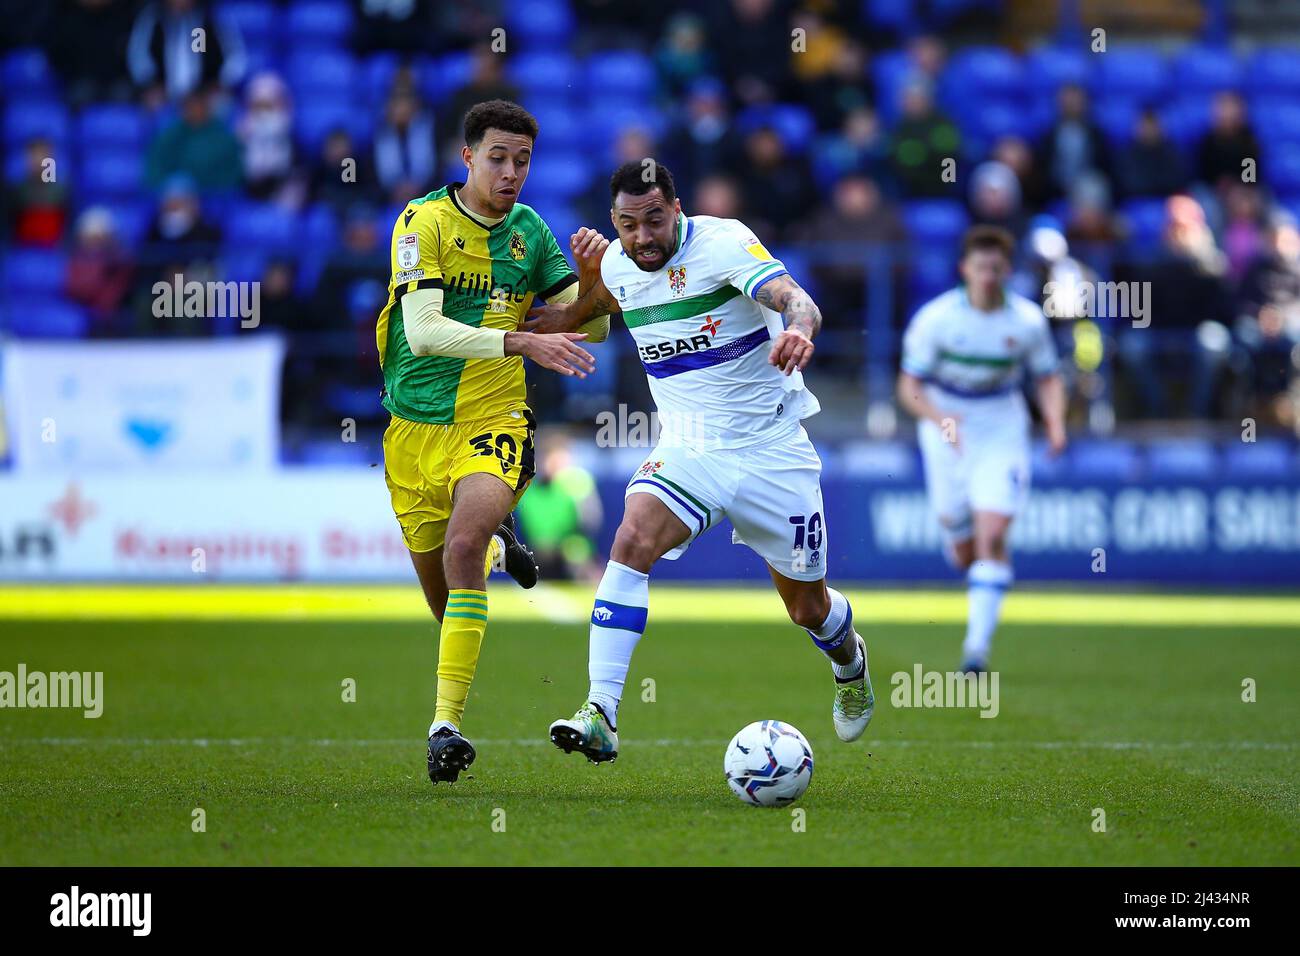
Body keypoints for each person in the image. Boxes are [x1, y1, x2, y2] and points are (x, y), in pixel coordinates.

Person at [526, 161, 875, 763]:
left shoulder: (723, 243)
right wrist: (568, 310)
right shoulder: (618, 262)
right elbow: (601, 304)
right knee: (631, 539)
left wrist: (798, 329)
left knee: (807, 607)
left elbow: (797, 299)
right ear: (614, 223)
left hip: (771, 452)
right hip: (689, 449)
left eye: (654, 221)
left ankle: (851, 665)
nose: (642, 238)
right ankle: (601, 711)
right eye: (628, 225)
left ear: (677, 209)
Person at [374, 100, 609, 784]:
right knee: (448, 604)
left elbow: (584, 325)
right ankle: (503, 544)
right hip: (412, 431)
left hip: (495, 420)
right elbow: (423, 331)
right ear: (467, 157)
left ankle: (445, 728)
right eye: (498, 158)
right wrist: (521, 338)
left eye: (523, 161)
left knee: (463, 546)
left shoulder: (531, 232)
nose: (511, 173)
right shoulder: (422, 223)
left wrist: (593, 286)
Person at [896, 226, 1067, 672]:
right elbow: (909, 386)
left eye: (996, 268)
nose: (988, 276)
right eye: (980, 267)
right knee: (963, 547)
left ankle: (976, 652)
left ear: (1007, 270)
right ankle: (968, 555)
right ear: (964, 270)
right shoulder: (936, 320)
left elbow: (1047, 377)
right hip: (946, 422)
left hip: (1001, 424)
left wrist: (1054, 423)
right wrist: (940, 419)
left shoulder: (1027, 322)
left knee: (992, 536)